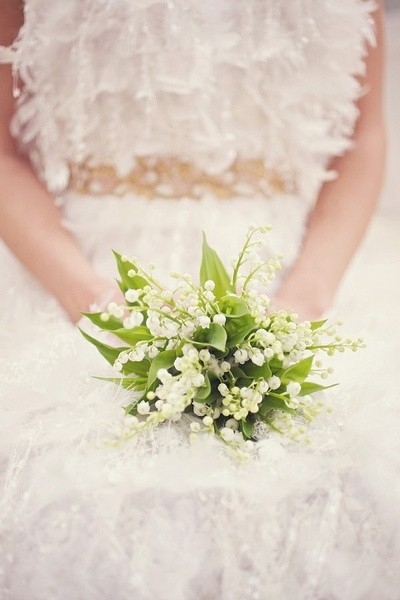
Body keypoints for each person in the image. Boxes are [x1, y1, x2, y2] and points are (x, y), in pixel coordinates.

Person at [0, 1, 399, 599]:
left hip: (295, 265)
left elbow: (362, 139)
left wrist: (305, 298)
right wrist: (89, 300)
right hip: (80, 264)